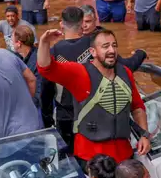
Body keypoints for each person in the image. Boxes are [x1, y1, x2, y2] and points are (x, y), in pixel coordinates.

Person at [37, 28, 151, 163]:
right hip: (90, 158)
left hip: (123, 154)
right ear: (93, 52)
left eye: (114, 45)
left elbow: (137, 107)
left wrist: (144, 135)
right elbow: (47, 69)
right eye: (105, 46)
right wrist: (44, 43)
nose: (112, 50)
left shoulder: (125, 72)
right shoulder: (79, 73)